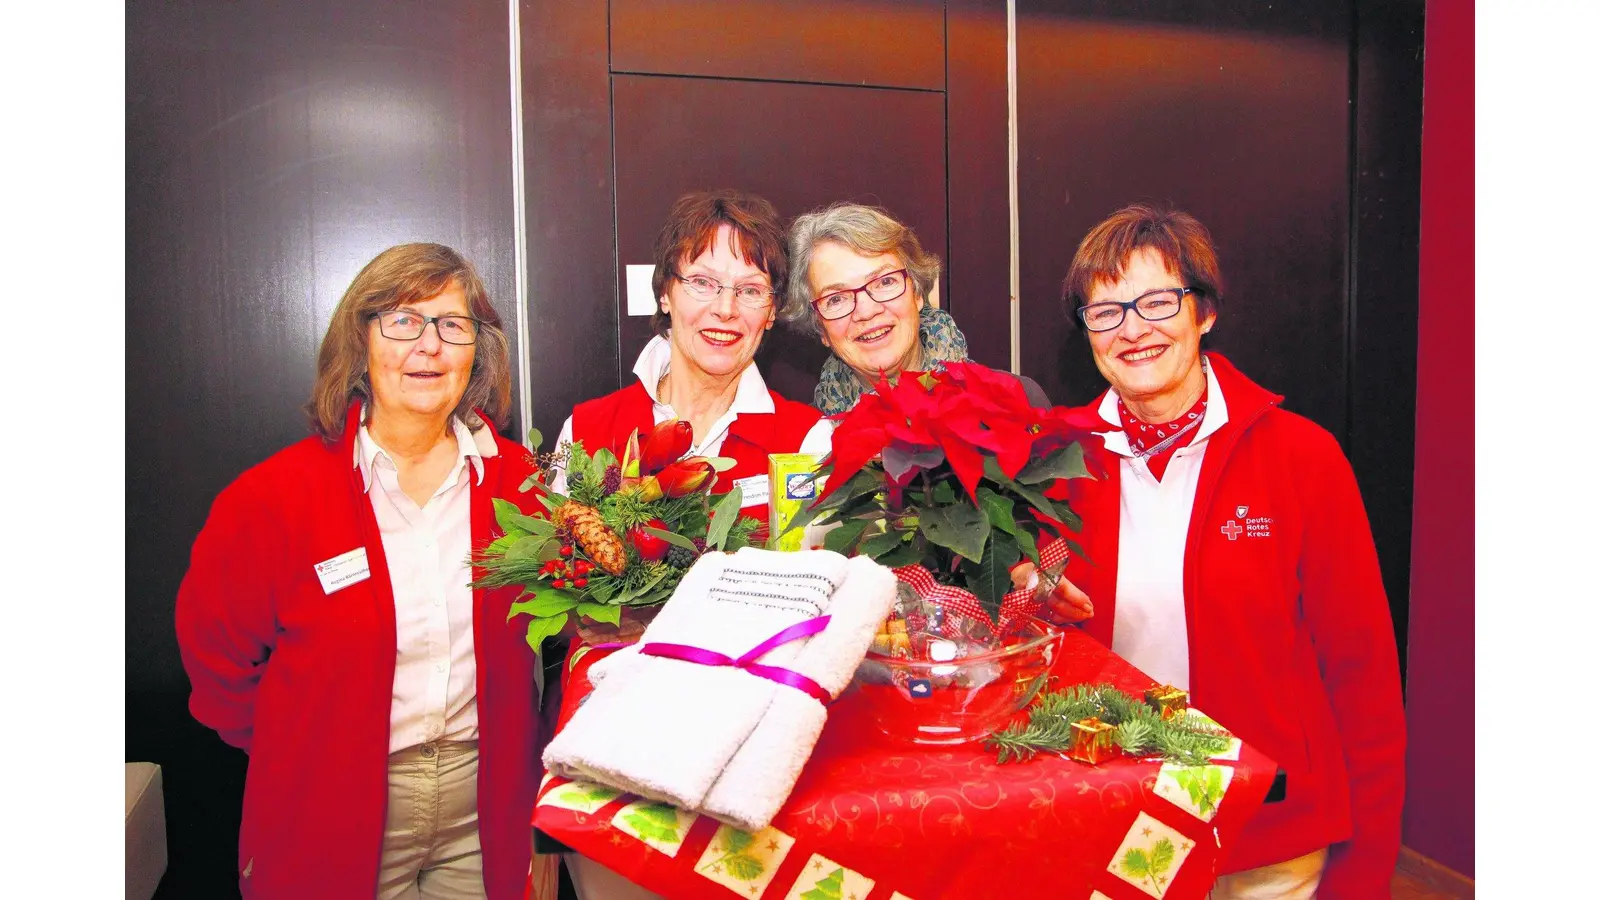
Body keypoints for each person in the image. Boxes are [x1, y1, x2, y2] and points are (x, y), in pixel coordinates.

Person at [1053, 203, 1404, 898]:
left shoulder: (1303, 457)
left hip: (1269, 833)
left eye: (1157, 301)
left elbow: (1361, 676)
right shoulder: (1051, 463)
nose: (1133, 330)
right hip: (1110, 822)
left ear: (1204, 312)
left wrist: (1365, 867)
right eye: (1107, 311)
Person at [175, 243, 545, 900]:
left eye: (452, 325)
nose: (428, 346)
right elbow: (217, 664)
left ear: (476, 352)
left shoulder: (521, 486)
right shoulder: (272, 500)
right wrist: (309, 746)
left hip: (481, 810)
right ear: (361, 340)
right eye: (403, 321)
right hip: (329, 811)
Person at [550, 189, 832, 526]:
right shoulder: (587, 431)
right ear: (665, 293)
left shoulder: (807, 441)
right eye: (703, 282)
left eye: (751, 290)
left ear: (772, 311)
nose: (725, 309)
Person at [779, 202, 1050, 414]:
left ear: (918, 293)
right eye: (836, 298)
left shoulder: (1016, 401)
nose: (866, 311)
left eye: (884, 282)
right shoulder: (806, 445)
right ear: (821, 329)